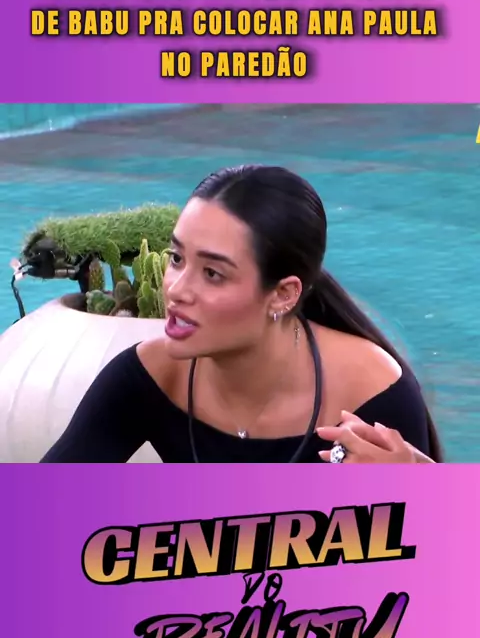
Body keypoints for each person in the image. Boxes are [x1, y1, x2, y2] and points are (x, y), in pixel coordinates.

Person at [41, 165, 443, 464]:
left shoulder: (372, 393)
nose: (177, 289)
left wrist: (416, 489)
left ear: (283, 294)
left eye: (213, 274)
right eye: (177, 258)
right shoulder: (149, 376)